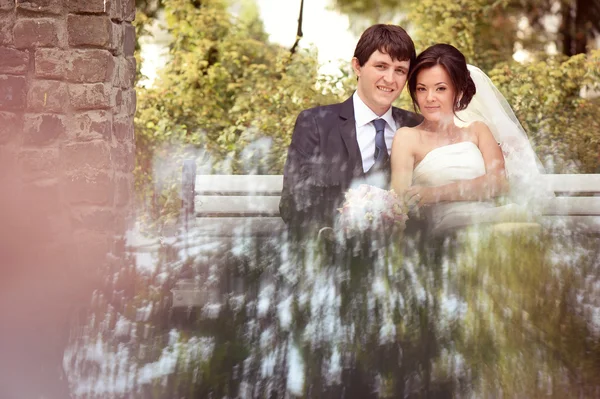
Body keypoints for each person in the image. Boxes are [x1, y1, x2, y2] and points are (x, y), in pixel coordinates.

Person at [390, 43, 548, 235]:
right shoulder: (407, 137)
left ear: (459, 92)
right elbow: (400, 201)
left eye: (440, 89)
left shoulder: (478, 131)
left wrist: (435, 193)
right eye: (422, 89)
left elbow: (499, 183)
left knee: (520, 227)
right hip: (444, 235)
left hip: (492, 223)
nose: (429, 98)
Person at [279, 24, 422, 233]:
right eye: (381, 66)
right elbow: (293, 203)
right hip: (330, 253)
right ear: (357, 66)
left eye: (400, 70)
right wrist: (345, 228)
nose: (390, 79)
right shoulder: (316, 123)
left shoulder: (417, 126)